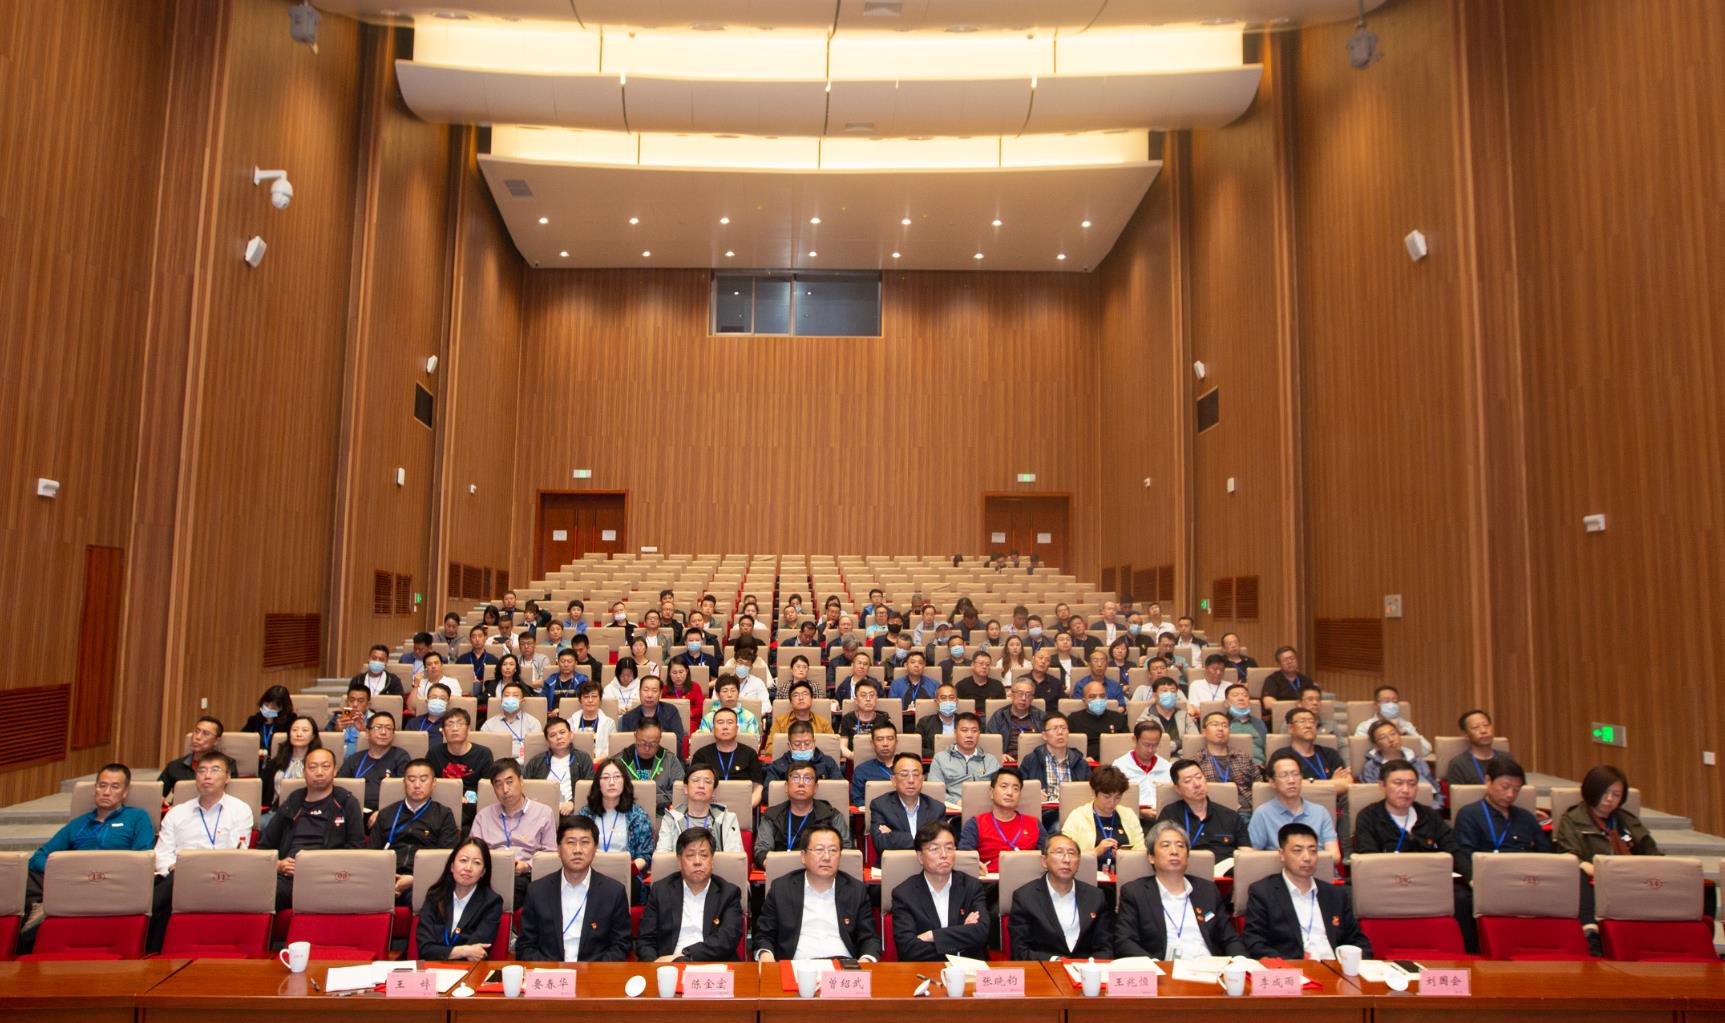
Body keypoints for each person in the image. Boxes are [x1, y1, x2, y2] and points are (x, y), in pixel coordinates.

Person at [27, 763, 153, 914]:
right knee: (25, 875)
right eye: (102, 786)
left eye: (115, 787)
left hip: (115, 882)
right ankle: (36, 914)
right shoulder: (79, 823)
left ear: (125, 792)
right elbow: (39, 856)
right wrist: (63, 871)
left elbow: (143, 858)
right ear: (95, 789)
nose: (106, 792)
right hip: (76, 880)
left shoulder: (137, 817)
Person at [1114, 821, 1246, 959]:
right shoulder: (1135, 892)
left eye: (1180, 846)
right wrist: (1154, 966)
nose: (1174, 851)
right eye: (1166, 845)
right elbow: (1125, 941)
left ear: (1187, 856)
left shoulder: (1207, 890)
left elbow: (1230, 938)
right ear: (1151, 857)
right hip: (1162, 967)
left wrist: (1240, 961)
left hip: (1207, 966)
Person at [752, 823, 880, 962]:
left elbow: (869, 938)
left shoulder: (855, 890)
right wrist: (766, 954)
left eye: (833, 850)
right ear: (803, 856)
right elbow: (763, 935)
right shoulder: (781, 889)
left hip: (843, 966)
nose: (826, 857)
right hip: (797, 965)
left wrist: (866, 960)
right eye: (819, 850)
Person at [1243, 822, 1371, 960]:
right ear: (1282, 854)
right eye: (1298, 851)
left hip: (1335, 966)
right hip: (1292, 967)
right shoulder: (1263, 892)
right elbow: (1255, 942)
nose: (1307, 858)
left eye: (1313, 851)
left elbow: (1358, 941)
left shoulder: (1335, 895)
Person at [515, 816, 633, 962]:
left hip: (595, 971)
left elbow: (621, 945)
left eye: (585, 842)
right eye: (571, 842)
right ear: (558, 849)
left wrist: (592, 970)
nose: (577, 850)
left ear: (595, 848)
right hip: (550, 972)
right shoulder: (537, 891)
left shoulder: (614, 892)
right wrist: (553, 970)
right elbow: (525, 946)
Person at [261, 747, 365, 908]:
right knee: (256, 892)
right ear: (304, 772)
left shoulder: (346, 802)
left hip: (327, 877)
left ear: (335, 771)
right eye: (313, 767)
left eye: (325, 766)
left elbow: (356, 849)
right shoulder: (293, 802)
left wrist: (321, 867)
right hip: (290, 875)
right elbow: (264, 847)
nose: (319, 772)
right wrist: (279, 865)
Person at [636, 827, 746, 962]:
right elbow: (645, 939)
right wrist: (655, 966)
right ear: (679, 862)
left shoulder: (728, 893)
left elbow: (727, 940)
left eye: (704, 855)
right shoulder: (661, 890)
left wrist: (685, 956)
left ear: (712, 861)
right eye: (690, 855)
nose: (697, 861)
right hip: (668, 966)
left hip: (713, 965)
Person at [891, 821, 991, 961]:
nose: (944, 855)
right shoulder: (904, 894)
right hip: (925, 969)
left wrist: (931, 935)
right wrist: (962, 938)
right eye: (935, 849)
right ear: (920, 857)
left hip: (968, 969)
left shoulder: (971, 887)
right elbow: (908, 949)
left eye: (949, 848)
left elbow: (981, 932)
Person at [1008, 833, 1115, 959]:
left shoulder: (1096, 896)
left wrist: (1089, 966)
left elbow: (1105, 947)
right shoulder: (1025, 897)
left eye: (1071, 853)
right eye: (1059, 852)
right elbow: (1020, 951)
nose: (1067, 860)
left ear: (1078, 862)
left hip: (1087, 968)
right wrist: (1056, 961)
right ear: (1044, 861)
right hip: (1045, 967)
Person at [368, 758, 460, 897]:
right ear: (404, 782)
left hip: (425, 881)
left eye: (423, 780)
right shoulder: (386, 814)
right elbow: (371, 854)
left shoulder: (443, 815)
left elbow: (446, 858)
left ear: (433, 783)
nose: (417, 785)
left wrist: (415, 880)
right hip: (385, 878)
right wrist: (387, 878)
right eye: (411, 780)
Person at [470, 758, 558, 903]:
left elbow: (550, 854)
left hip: (525, 877)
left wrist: (527, 866)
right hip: (490, 875)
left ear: (521, 781)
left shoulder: (543, 813)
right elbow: (472, 852)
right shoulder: (483, 816)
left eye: (509, 782)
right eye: (498, 784)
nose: (505, 790)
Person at [1554, 764, 1661, 873]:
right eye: (1604, 792)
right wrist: (1598, 872)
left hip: (1633, 875)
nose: (1609, 799)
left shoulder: (1628, 820)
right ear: (1591, 790)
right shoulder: (1572, 820)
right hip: (1593, 878)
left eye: (1616, 795)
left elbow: (1654, 854)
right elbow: (1570, 857)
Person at [416, 838, 505, 962]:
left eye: (477, 863)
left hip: (469, 970)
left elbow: (478, 953)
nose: (468, 868)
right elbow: (424, 949)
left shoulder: (492, 903)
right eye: (463, 860)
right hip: (432, 969)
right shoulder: (435, 896)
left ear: (483, 872)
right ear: (452, 866)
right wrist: (464, 951)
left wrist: (442, 952)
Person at [753, 761, 850, 867]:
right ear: (786, 787)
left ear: (815, 788)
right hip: (782, 871)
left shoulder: (831, 816)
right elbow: (761, 851)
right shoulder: (772, 815)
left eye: (807, 778)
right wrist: (775, 866)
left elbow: (846, 849)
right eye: (795, 778)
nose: (801, 784)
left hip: (821, 870)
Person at [1248, 752, 1341, 859]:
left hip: (1317, 868)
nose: (1291, 780)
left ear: (1301, 778)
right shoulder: (1263, 814)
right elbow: (1251, 856)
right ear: (1272, 782)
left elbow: (1334, 856)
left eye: (1295, 774)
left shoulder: (1320, 812)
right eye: (1284, 775)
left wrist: (1304, 857)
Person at [578, 758, 655, 887]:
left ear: (624, 781)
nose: (612, 782)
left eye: (617, 777)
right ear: (598, 783)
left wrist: (627, 869)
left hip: (624, 876)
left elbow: (645, 855)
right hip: (589, 873)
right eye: (606, 777)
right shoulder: (586, 814)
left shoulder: (638, 816)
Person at [1454, 758, 1551, 859]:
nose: (1510, 795)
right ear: (1488, 781)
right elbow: (1465, 857)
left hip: (1526, 867)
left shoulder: (1526, 817)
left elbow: (1546, 855)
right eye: (1505, 787)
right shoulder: (1469, 815)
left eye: (1516, 790)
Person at [1154, 759, 1250, 860]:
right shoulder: (1170, 815)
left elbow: (1246, 853)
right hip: (1186, 867)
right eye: (1188, 781)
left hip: (1225, 868)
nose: (1197, 784)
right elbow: (1159, 850)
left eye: (1199, 777)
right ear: (1177, 789)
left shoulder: (1230, 816)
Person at [958, 767, 1046, 870]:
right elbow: (965, 859)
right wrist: (976, 866)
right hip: (989, 879)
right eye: (1004, 786)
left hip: (1027, 878)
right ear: (991, 792)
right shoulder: (976, 824)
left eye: (1015, 789)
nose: (1010, 793)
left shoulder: (1034, 823)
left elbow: (1049, 855)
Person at [869, 752, 949, 864]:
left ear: (922, 779)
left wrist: (894, 835)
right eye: (904, 774)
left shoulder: (936, 808)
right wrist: (923, 839)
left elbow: (940, 844)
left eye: (916, 774)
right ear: (893, 780)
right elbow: (881, 843)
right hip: (892, 866)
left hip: (927, 866)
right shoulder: (880, 805)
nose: (911, 780)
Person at [1060, 766, 1143, 871]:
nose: (1112, 802)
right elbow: (1066, 854)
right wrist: (1095, 852)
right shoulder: (1077, 816)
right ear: (1094, 792)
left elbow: (1141, 851)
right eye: (1107, 797)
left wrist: (1125, 856)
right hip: (1087, 874)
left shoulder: (1128, 815)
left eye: (1117, 797)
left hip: (1125, 873)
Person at [656, 763, 744, 853]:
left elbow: (733, 858)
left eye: (707, 782)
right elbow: (662, 856)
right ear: (686, 788)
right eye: (695, 780)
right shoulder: (671, 818)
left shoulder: (727, 819)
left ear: (714, 791)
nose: (701, 785)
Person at [687, 707, 765, 807]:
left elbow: (758, 788)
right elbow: (694, 786)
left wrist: (746, 807)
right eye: (720, 722)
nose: (725, 727)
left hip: (743, 805)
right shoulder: (701, 755)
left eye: (730, 722)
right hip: (709, 807)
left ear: (736, 729)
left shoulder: (750, 754)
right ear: (713, 729)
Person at [337, 711, 410, 813]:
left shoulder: (400, 757)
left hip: (387, 812)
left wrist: (383, 812)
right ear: (368, 733)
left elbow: (405, 790)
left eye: (388, 728)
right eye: (378, 727)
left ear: (393, 734)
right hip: (354, 810)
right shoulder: (355, 758)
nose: (383, 732)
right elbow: (339, 785)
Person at [1360, 719, 1443, 808]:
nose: (1391, 739)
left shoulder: (1418, 762)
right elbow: (1373, 797)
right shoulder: (1371, 767)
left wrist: (1435, 808)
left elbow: (1436, 790)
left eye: (1393, 734)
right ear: (1376, 745)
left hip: (1424, 810)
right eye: (1383, 737)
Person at [524, 716, 595, 816]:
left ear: (571, 735)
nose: (558, 737)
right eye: (553, 735)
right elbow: (525, 787)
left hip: (573, 813)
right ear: (547, 742)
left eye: (562, 732)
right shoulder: (536, 761)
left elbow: (590, 787)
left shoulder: (583, 758)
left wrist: (573, 803)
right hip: (542, 812)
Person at [1196, 710, 1261, 809]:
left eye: (1225, 725)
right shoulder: (1197, 761)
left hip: (1244, 810)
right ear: (1204, 732)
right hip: (1211, 810)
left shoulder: (1243, 757)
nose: (1220, 728)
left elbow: (1258, 784)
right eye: (1215, 724)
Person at [1274, 706, 1352, 785]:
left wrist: (1306, 784)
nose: (1308, 725)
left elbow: (1347, 782)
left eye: (1312, 721)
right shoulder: (1281, 756)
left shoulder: (1330, 754)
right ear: (1290, 728)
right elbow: (1285, 784)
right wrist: (1331, 783)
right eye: (1302, 721)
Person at [620, 719, 683, 813]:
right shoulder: (621, 760)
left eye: (653, 744)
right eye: (642, 743)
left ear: (659, 739)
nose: (647, 748)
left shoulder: (670, 760)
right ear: (635, 736)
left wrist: (654, 799)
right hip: (627, 814)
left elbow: (680, 793)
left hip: (662, 815)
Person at [1445, 709, 1521, 786]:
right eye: (1475, 727)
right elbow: (1457, 793)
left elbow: (1520, 788)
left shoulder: (1507, 758)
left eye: (1486, 725)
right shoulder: (1458, 764)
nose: (1483, 731)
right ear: (1466, 735)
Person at [160, 716, 231, 798]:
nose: (197, 737)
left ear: (216, 741)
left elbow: (230, 795)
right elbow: (158, 793)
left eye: (206, 733)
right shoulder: (174, 766)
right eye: (196, 731)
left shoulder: (227, 764)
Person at [1350, 684, 1431, 756]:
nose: (1391, 704)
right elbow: (1359, 753)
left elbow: (1426, 750)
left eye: (1395, 701)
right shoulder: (1365, 727)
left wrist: (1407, 733)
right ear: (1376, 705)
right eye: (1386, 701)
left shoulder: (1406, 725)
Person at [1019, 712, 1092, 791]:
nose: (1060, 732)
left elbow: (1089, 791)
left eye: (1063, 728)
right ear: (1044, 735)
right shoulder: (1031, 761)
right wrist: (1034, 794)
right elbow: (1020, 788)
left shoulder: (1081, 763)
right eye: (1054, 729)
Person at [263, 713, 320, 809]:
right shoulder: (276, 762)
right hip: (277, 810)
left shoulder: (319, 763)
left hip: (309, 810)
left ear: (313, 736)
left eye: (304, 730)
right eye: (294, 730)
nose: (298, 734)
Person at [1112, 720, 1172, 811]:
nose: (1150, 750)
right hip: (1132, 814)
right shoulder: (1120, 766)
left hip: (1163, 814)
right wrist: (1139, 811)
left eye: (1155, 745)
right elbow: (1114, 799)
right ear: (1134, 740)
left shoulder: (1167, 767)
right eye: (1146, 745)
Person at [618, 676, 688, 755]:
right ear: (639, 692)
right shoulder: (628, 717)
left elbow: (678, 742)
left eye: (654, 691)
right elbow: (627, 747)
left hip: (667, 757)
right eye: (646, 690)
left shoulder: (671, 711)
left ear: (660, 694)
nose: (649, 695)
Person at [928, 712, 1001, 787]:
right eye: (964, 730)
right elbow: (935, 790)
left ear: (979, 734)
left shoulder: (991, 761)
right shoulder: (940, 759)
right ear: (955, 733)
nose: (969, 735)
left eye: (974, 731)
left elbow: (999, 788)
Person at [478, 680, 543, 761]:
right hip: (498, 764)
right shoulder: (489, 724)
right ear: (501, 700)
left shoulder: (533, 723)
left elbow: (536, 752)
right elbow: (482, 751)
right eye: (506, 695)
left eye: (515, 695)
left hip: (525, 765)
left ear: (522, 701)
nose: (510, 698)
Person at [1069, 679, 1130, 759]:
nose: (1098, 700)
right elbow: (1068, 747)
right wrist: (1080, 759)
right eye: (1092, 697)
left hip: (1114, 762)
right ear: (1084, 701)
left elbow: (1127, 744)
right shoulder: (1073, 719)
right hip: (1085, 762)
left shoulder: (1118, 718)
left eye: (1102, 696)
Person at [987, 678, 1046, 758]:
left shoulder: (1041, 717)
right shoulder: (999, 716)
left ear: (1032, 698)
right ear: (1011, 695)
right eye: (1020, 693)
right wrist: (1000, 755)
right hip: (1008, 761)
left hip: (1035, 761)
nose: (1023, 698)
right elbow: (990, 743)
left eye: (1028, 695)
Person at [849, 721, 900, 807]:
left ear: (896, 742)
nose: (885, 744)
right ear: (872, 744)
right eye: (880, 739)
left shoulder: (909, 767)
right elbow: (857, 800)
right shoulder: (862, 770)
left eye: (890, 739)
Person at [241, 685, 292, 765]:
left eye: (274, 707)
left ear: (282, 708)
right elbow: (242, 741)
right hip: (254, 762)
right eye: (266, 704)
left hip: (278, 763)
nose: (268, 708)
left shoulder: (289, 723)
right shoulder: (254, 720)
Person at [837, 678, 887, 759]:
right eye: (863, 695)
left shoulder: (884, 719)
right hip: (853, 760)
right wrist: (851, 755)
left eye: (872, 695)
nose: (868, 699)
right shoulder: (847, 719)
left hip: (878, 760)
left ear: (876, 698)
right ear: (856, 700)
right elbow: (842, 746)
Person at [1259, 645, 1315, 715]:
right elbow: (1268, 704)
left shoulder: (1306, 680)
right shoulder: (1272, 680)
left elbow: (1314, 699)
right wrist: (1296, 707)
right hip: (1283, 715)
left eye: (1292, 658)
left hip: (1305, 714)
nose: (1289, 662)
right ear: (1279, 664)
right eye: (1285, 660)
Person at [768, 679, 834, 738]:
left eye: (805, 694)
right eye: (796, 695)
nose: (801, 698)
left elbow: (831, 746)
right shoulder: (780, 722)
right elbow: (771, 746)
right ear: (791, 702)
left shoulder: (823, 723)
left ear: (811, 700)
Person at [568, 680, 617, 758]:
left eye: (594, 696)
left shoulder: (609, 723)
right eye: (586, 697)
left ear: (600, 699)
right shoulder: (570, 722)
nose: (590, 700)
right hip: (576, 761)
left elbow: (611, 748)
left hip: (600, 762)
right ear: (580, 700)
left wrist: (597, 761)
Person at [325, 682, 374, 760]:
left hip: (362, 759)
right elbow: (325, 742)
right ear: (346, 702)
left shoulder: (375, 720)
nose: (355, 705)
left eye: (360, 701)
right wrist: (336, 731)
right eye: (351, 700)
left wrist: (363, 731)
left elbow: (378, 745)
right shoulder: (337, 718)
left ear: (368, 705)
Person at [1222, 683, 1268, 762]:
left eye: (1245, 695)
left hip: (1258, 766)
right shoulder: (1221, 723)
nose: (1241, 698)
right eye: (1235, 695)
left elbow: (1266, 748)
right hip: (1230, 765)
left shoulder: (1259, 723)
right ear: (1226, 703)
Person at [660, 659, 705, 727]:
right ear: (669, 673)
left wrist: (688, 714)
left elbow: (700, 707)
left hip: (691, 720)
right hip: (670, 721)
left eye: (681, 672)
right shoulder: (664, 689)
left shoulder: (695, 686)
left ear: (687, 671)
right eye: (674, 673)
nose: (678, 676)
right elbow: (661, 708)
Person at [455, 626, 497, 698]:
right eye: (474, 637)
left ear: (485, 638)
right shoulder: (462, 659)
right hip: (466, 694)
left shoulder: (493, 659)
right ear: (470, 640)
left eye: (480, 636)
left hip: (486, 695)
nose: (477, 639)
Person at [406, 682, 451, 748]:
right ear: (427, 701)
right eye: (434, 697)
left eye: (442, 698)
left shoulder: (451, 724)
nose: (437, 701)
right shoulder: (414, 722)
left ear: (448, 703)